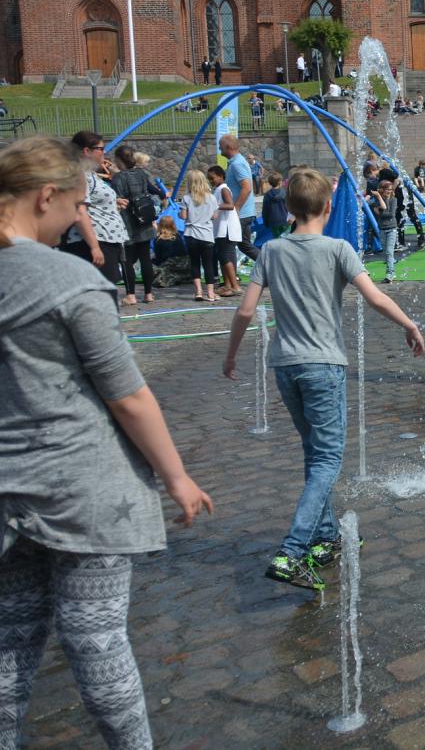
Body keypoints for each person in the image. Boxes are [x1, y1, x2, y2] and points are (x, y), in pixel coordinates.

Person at [0, 136, 213, 748]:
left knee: (10, 645)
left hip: (7, 489)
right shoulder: (68, 280)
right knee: (96, 641)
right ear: (45, 197)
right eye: (75, 206)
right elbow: (127, 395)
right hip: (83, 490)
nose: (78, 219)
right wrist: (176, 477)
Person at [223, 166, 425, 591]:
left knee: (314, 454)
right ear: (328, 207)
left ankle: (326, 536)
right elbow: (375, 297)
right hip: (323, 365)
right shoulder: (337, 248)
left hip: (285, 366)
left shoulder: (271, 250)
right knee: (328, 458)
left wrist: (231, 355)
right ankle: (292, 551)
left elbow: (245, 310)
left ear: (288, 207)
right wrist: (409, 324)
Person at [61, 131, 128, 286]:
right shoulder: (80, 174)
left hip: (106, 239)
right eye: (101, 149)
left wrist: (113, 203)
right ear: (87, 151)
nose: (104, 152)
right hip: (95, 241)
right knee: (101, 290)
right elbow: (80, 211)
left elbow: (90, 200)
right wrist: (95, 247)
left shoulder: (89, 174)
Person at [111, 147, 164, 306]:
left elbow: (117, 199)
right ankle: (149, 294)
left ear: (119, 160)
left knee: (127, 260)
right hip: (144, 218)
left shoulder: (118, 178)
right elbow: (150, 190)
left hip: (128, 221)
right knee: (145, 258)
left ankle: (131, 295)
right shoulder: (141, 173)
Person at [179, 169, 219, 301]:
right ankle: (211, 293)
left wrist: (180, 213)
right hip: (206, 234)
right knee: (208, 264)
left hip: (191, 234)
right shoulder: (212, 198)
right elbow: (214, 216)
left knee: (195, 263)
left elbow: (183, 216)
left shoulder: (186, 198)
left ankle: (198, 292)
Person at [220, 136, 258, 262]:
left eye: (221, 146)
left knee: (228, 247)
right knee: (244, 245)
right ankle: (270, 265)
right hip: (245, 213)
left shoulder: (237, 164)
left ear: (229, 147)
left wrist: (236, 207)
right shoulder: (237, 162)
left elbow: (247, 187)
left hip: (241, 214)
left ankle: (231, 278)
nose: (219, 148)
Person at [207, 165, 242, 296]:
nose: (211, 181)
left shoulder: (223, 189)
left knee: (226, 257)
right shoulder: (218, 190)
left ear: (221, 176)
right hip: (221, 229)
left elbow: (230, 205)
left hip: (226, 229)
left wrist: (215, 206)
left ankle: (235, 286)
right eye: (209, 179)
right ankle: (227, 285)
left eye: (212, 178)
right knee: (223, 258)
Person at [372, 179, 398, 283]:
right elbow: (377, 209)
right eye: (387, 189)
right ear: (382, 190)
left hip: (392, 229)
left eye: (391, 189)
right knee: (386, 252)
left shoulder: (393, 200)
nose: (389, 191)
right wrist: (378, 197)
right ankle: (391, 268)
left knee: (389, 251)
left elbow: (391, 214)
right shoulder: (377, 200)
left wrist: (381, 213)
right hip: (382, 229)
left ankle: (390, 273)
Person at [260, 171, 290, 242]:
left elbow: (265, 210)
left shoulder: (267, 195)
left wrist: (266, 222)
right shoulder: (285, 193)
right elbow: (290, 207)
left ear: (270, 183)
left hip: (273, 221)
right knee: (287, 239)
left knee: (277, 239)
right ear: (280, 182)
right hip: (286, 220)